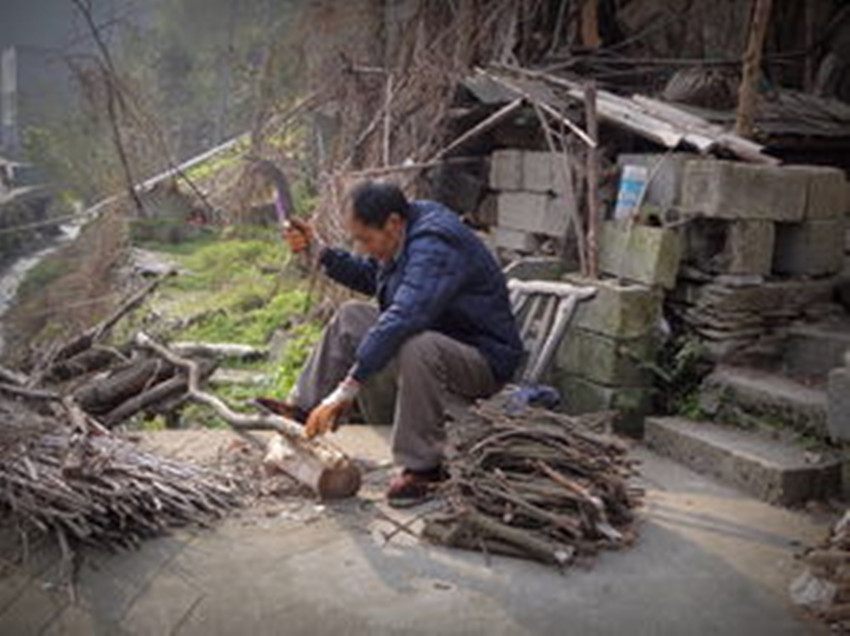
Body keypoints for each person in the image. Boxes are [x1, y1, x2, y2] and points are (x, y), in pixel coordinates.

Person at [265, 181, 523, 507]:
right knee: (350, 316)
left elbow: (406, 314)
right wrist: (319, 251)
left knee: (418, 345)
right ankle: (305, 412)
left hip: (482, 360)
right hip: (442, 338)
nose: (364, 247)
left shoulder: (435, 243)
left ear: (392, 223)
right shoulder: (404, 234)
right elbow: (373, 275)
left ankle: (424, 469)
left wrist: (349, 387)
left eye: (366, 239)